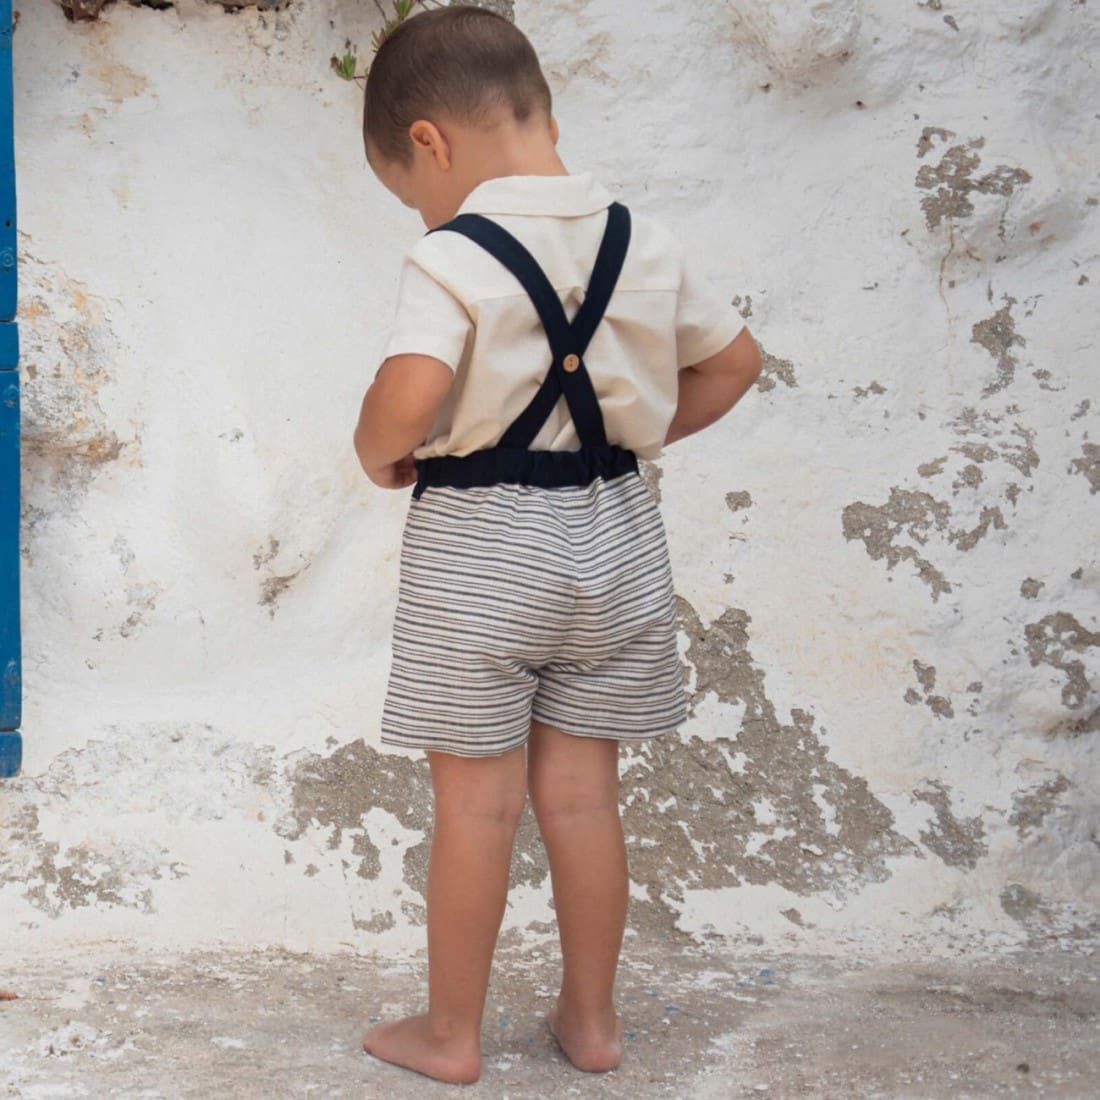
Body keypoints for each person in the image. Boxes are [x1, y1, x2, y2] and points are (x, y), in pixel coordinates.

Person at [353, 5, 761, 1085]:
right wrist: (622, 429)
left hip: (482, 546)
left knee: (475, 803)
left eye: (410, 184)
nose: (421, 206)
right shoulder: (642, 238)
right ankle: (590, 1021)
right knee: (582, 796)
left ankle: (449, 1033)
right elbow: (733, 363)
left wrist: (379, 449)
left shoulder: (451, 255)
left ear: (429, 142)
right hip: (616, 537)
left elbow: (410, 393)